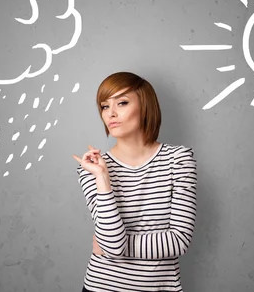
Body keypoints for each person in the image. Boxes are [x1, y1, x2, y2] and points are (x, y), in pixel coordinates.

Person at [72, 71, 198, 292]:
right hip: (101, 287)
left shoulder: (178, 159)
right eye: (104, 106)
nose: (111, 113)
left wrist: (113, 248)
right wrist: (103, 178)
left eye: (122, 102)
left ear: (145, 106)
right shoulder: (93, 169)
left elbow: (179, 241)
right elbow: (112, 242)